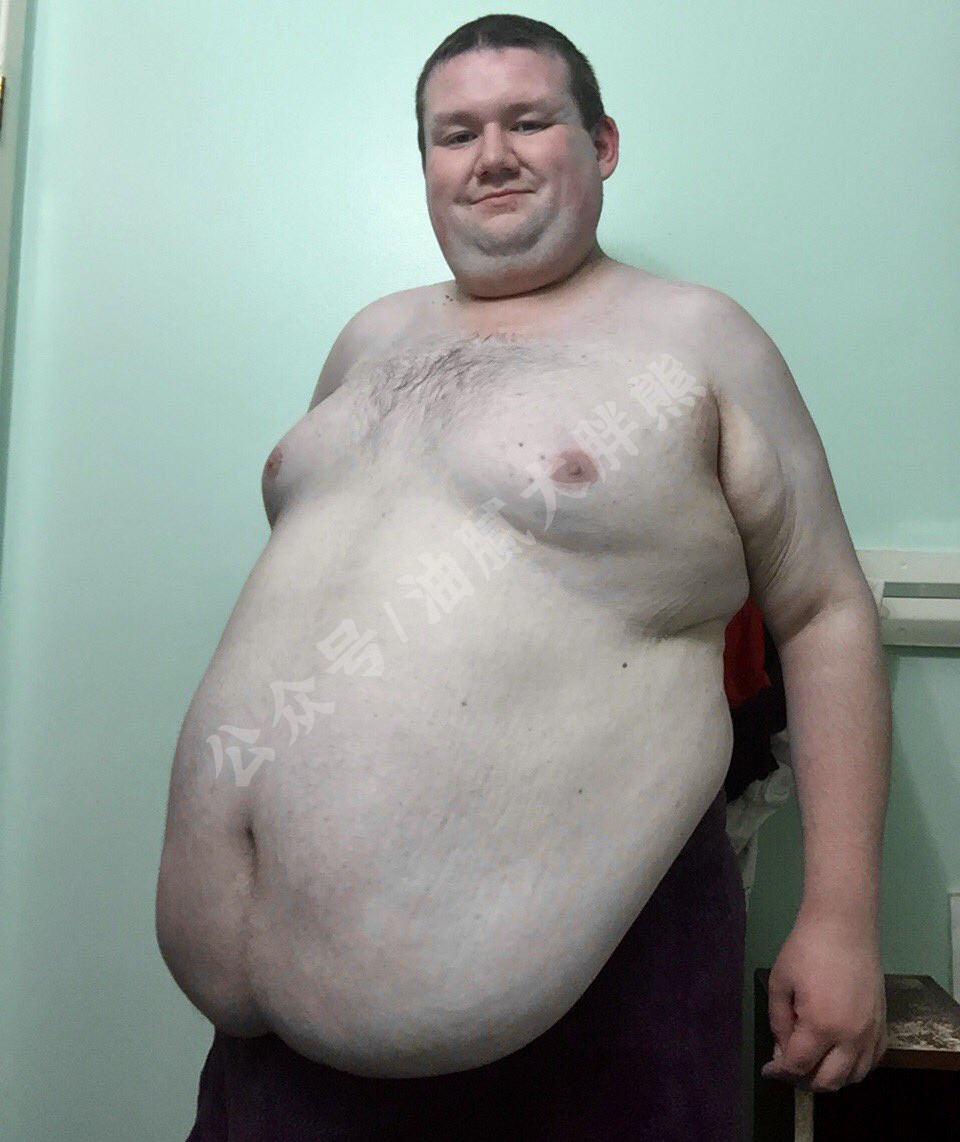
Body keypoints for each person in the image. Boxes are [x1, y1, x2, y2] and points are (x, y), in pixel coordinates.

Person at [156, 14, 891, 1140]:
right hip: (267, 1063)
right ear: (425, 164)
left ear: (602, 144)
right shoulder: (368, 339)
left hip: (583, 1027)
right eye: (455, 134)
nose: (490, 155)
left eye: (528, 121)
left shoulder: (700, 338)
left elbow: (824, 608)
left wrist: (840, 917)